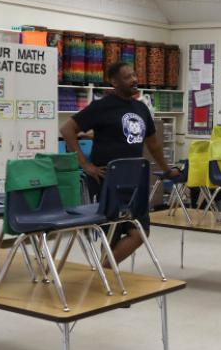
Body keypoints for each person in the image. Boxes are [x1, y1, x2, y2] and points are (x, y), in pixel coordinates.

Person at [60, 61, 179, 266]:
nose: (134, 80)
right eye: (127, 77)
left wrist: (167, 170)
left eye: (134, 75)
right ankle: (106, 278)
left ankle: (102, 271)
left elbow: (153, 144)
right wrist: (85, 165)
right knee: (111, 235)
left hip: (134, 182)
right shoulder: (101, 106)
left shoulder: (141, 108)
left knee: (140, 232)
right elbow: (67, 129)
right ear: (114, 82)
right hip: (106, 180)